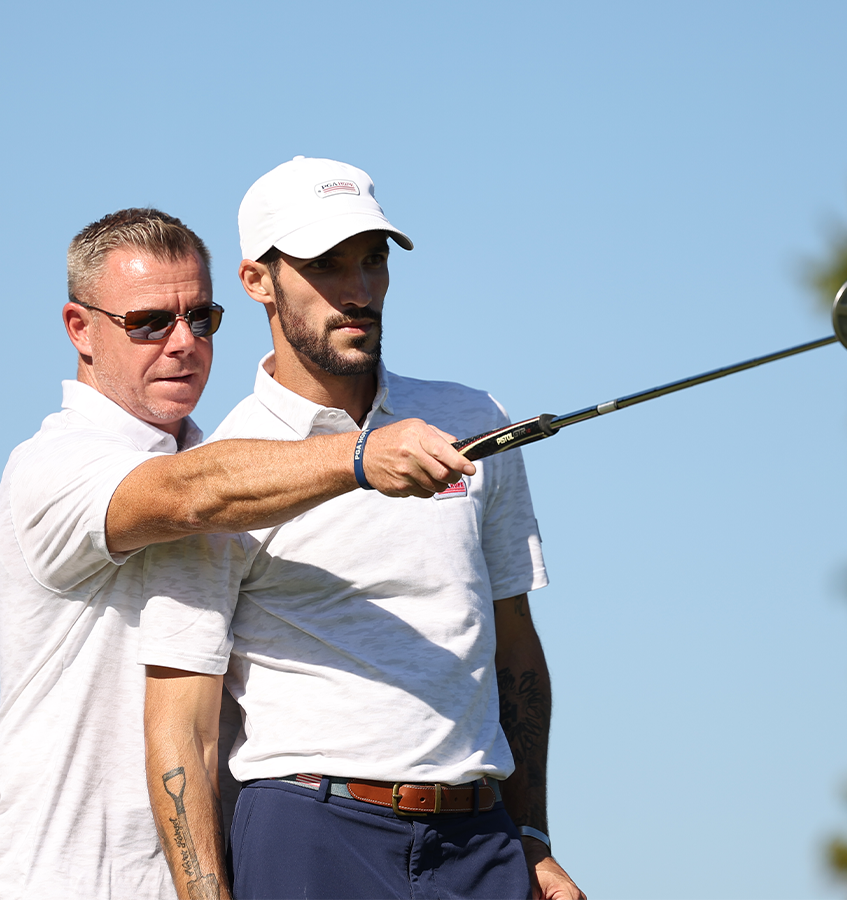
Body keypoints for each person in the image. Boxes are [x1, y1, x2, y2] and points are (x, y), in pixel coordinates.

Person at [0, 207, 477, 900]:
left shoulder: (225, 458)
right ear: (79, 329)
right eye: (149, 322)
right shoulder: (54, 465)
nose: (182, 343)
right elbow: (192, 494)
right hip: (67, 879)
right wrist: (362, 452)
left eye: (201, 319)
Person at [140, 159, 587, 900]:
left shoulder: (475, 422)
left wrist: (532, 836)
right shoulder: (216, 476)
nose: (358, 290)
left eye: (372, 261)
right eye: (325, 265)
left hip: (480, 841)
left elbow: (514, 647)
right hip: (309, 836)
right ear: (257, 281)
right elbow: (180, 723)